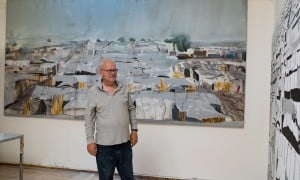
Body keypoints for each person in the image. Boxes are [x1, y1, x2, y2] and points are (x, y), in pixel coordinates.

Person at [84, 58, 138, 180]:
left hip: (125, 145)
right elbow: (89, 118)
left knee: (128, 178)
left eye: (114, 70)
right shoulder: (93, 92)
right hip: (104, 147)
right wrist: (90, 140)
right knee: (106, 178)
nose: (112, 73)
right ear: (101, 72)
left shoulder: (124, 89)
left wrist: (134, 130)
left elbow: (131, 109)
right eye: (109, 70)